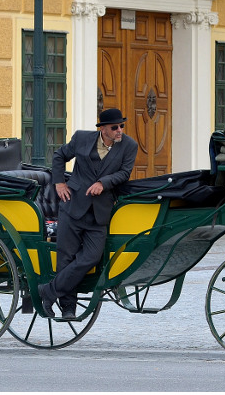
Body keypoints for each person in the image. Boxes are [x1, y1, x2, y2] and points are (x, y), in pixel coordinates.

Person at [38, 108, 137, 319]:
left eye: (121, 126)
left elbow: (124, 173)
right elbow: (59, 156)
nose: (120, 130)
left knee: (91, 257)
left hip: (100, 212)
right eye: (114, 127)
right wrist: (59, 183)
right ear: (103, 129)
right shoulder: (82, 138)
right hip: (72, 205)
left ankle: (48, 291)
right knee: (66, 257)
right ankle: (68, 308)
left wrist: (103, 183)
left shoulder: (129, 146)